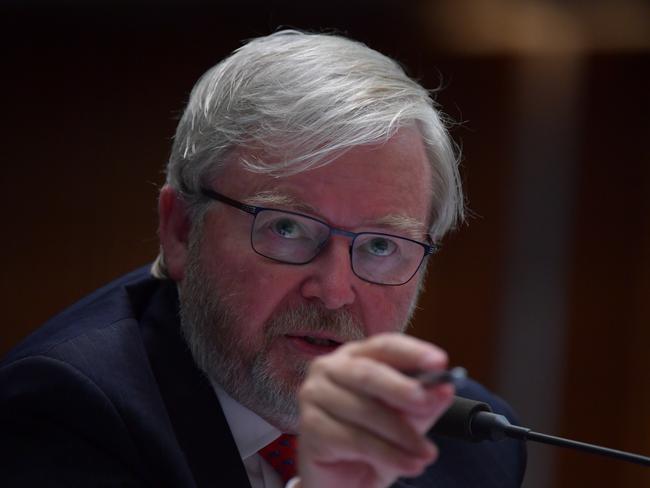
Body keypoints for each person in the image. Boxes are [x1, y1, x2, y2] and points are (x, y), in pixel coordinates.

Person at [0, 30, 526, 487]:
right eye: (288, 228)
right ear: (181, 229)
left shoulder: (470, 445)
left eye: (381, 245)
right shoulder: (65, 413)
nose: (335, 289)